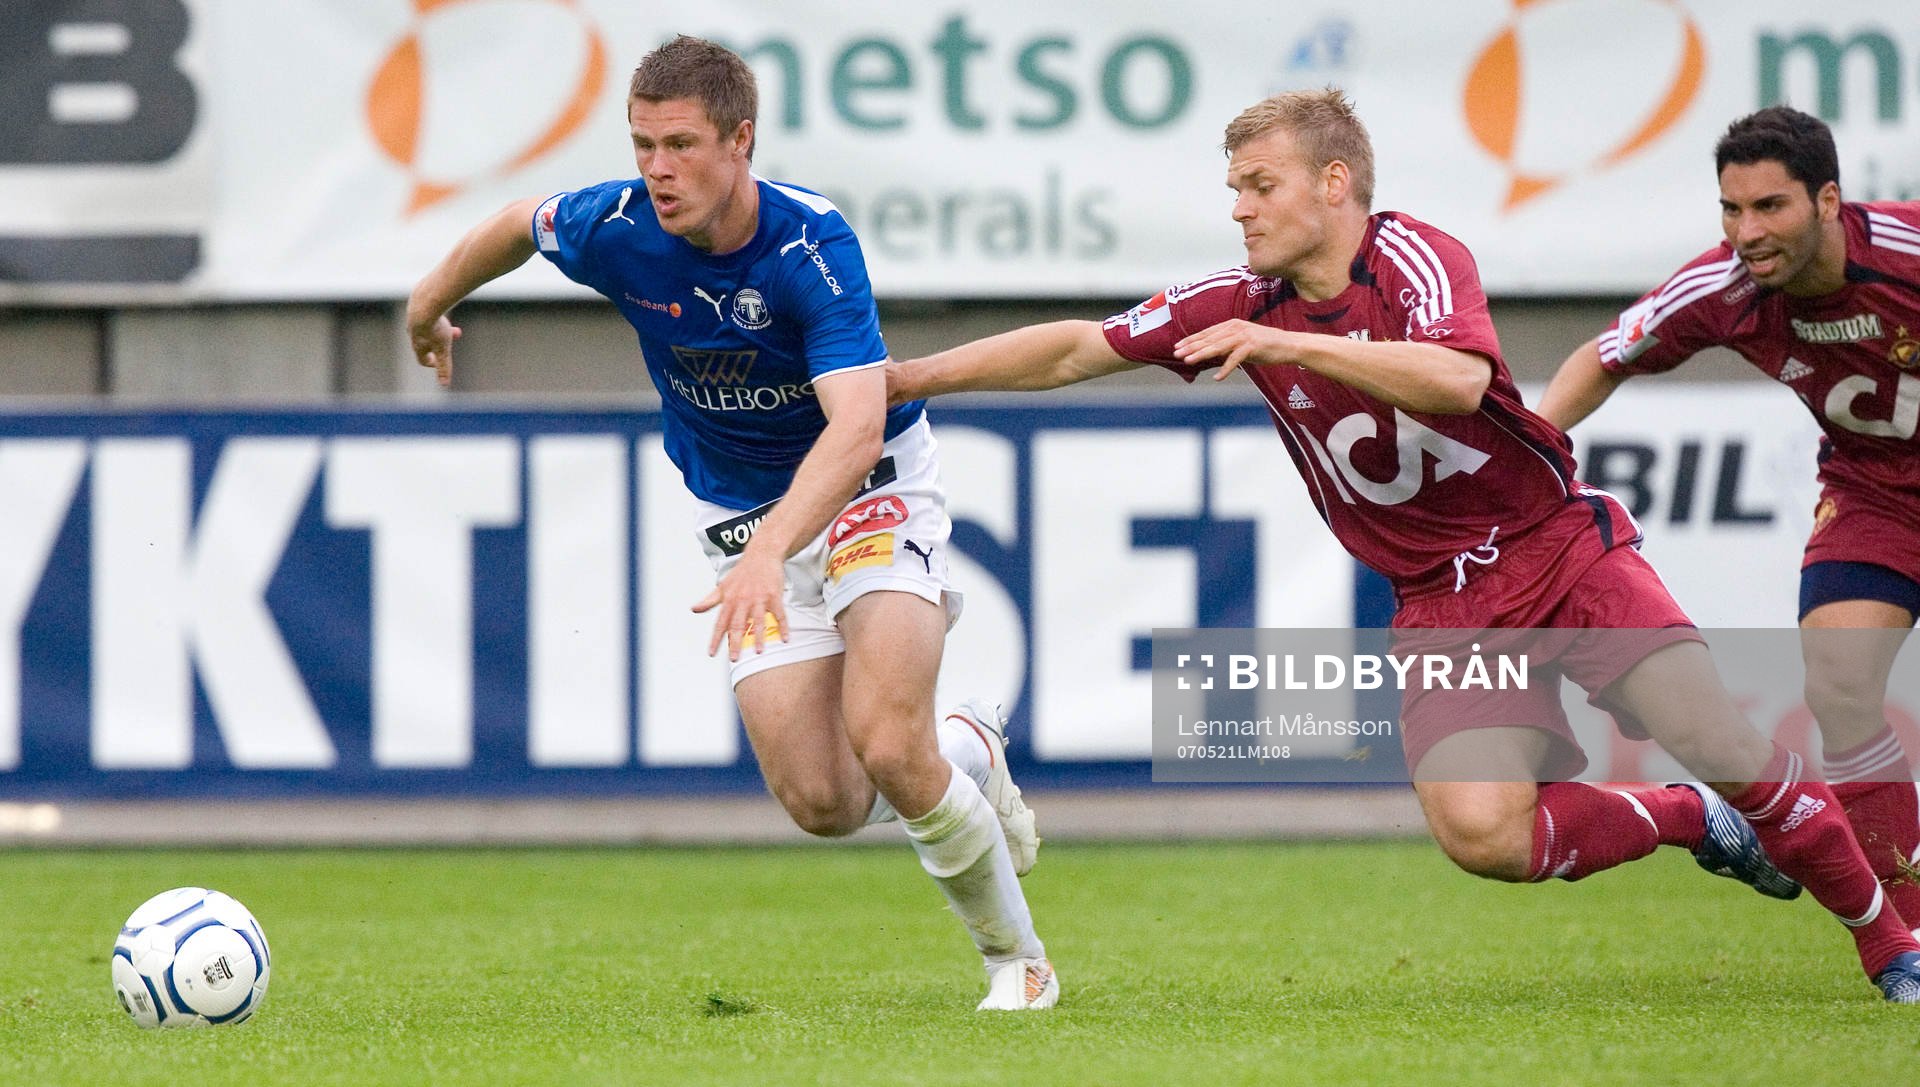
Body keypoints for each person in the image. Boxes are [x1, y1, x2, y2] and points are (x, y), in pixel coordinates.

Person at [885, 88, 1920, 1000]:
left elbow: (1459, 378)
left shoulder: (1415, 256)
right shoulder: (1237, 301)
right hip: (1440, 598)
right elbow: (1079, 345)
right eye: (1233, 187)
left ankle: (1889, 947)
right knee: (1484, 836)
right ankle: (1690, 820)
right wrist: (908, 379)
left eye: (1258, 182)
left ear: (1334, 184)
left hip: (1558, 549)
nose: (1238, 206)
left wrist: (1288, 342)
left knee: (1733, 748)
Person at [405, 35, 1056, 1011]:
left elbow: (855, 424)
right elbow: (511, 225)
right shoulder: (616, 226)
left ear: (740, 140)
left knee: (885, 738)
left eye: (680, 145)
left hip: (870, 485)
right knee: (823, 802)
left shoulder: (808, 245)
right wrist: (427, 305)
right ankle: (967, 744)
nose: (658, 171)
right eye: (642, 146)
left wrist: (769, 549)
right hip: (739, 510)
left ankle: (1019, 961)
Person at [1538, 105, 1920, 939]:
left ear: (1829, 201)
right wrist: (1528, 458)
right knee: (1841, 686)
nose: (1747, 232)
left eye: (1770, 207)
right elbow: (1602, 357)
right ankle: (1912, 928)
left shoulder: (1908, 254)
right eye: (1731, 209)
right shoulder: (1723, 289)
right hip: (1876, 497)